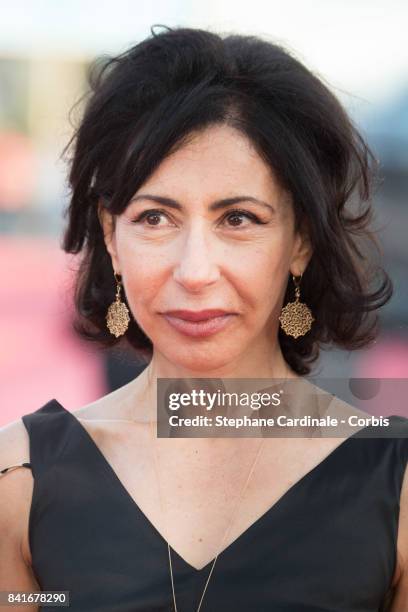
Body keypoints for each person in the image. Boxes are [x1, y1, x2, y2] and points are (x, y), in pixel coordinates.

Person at [1, 24, 407, 612]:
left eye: (238, 219)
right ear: (111, 235)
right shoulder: (22, 478)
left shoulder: (393, 488)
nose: (194, 271)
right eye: (155, 219)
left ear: (300, 241)